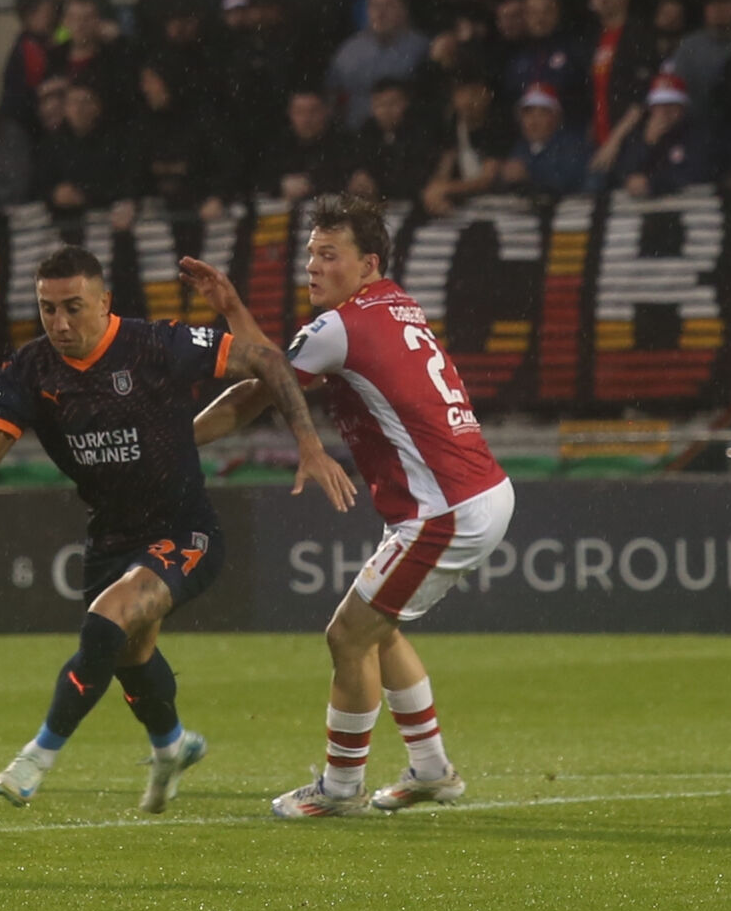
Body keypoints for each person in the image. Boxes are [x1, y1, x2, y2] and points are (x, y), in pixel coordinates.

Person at [0, 243, 351, 814]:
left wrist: (309, 443)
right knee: (130, 658)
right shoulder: (30, 368)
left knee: (108, 618)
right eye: (47, 309)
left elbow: (267, 362)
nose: (60, 323)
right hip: (110, 537)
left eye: (73, 307)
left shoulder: (157, 344)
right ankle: (171, 746)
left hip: (185, 530)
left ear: (104, 302)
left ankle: (37, 756)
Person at [210, 195, 513, 818]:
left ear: (368, 263)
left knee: (348, 635)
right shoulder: (393, 302)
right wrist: (236, 310)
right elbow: (280, 371)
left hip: (445, 508)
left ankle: (339, 789)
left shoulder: (339, 328)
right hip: (467, 493)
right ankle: (431, 771)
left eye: (329, 254)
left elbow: (254, 394)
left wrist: (169, 441)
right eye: (310, 253)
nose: (312, 266)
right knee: (378, 628)